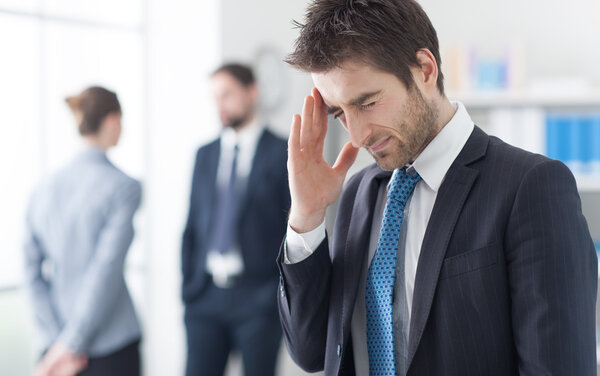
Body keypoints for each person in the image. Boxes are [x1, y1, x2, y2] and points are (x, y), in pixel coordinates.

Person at [277, 1, 598, 375]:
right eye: (339, 114)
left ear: (425, 69)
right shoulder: (358, 193)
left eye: (368, 102)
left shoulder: (530, 186)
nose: (357, 134)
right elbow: (311, 351)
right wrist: (307, 215)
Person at [24, 86, 142, 376]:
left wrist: (57, 342)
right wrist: (71, 344)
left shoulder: (42, 189)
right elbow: (106, 272)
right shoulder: (123, 187)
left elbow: (30, 271)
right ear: (113, 121)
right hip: (110, 347)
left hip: (55, 345)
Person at [182, 63, 290, 376]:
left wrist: (275, 294)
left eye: (227, 95)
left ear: (251, 92)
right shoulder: (205, 154)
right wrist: (188, 288)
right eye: (215, 97)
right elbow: (192, 226)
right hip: (204, 296)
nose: (220, 105)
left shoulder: (283, 151)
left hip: (258, 298)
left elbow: (292, 230)